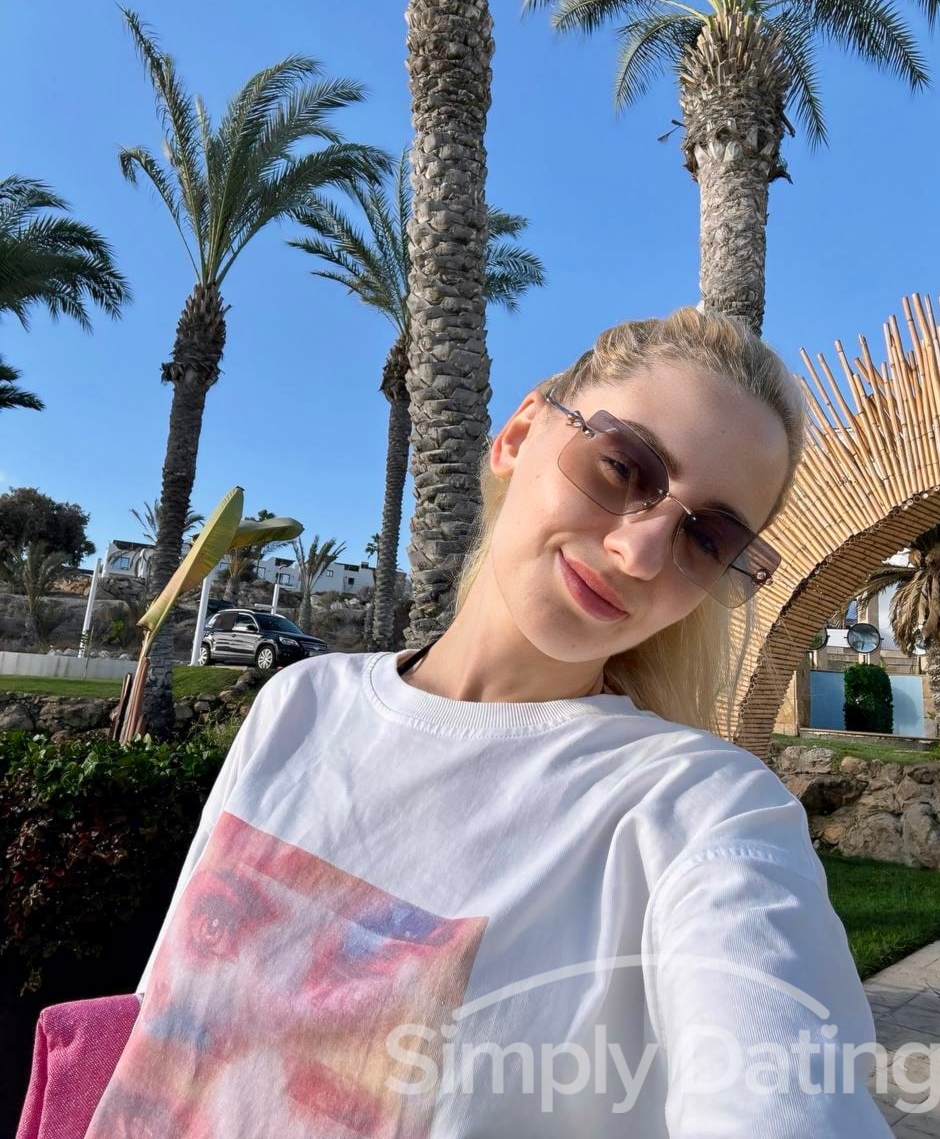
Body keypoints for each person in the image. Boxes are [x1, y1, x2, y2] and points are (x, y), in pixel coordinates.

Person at [82, 307, 893, 1137]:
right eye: (622, 467)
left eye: (707, 540)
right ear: (519, 434)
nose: (642, 553)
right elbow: (163, 1013)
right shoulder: (301, 703)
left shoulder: (702, 814)